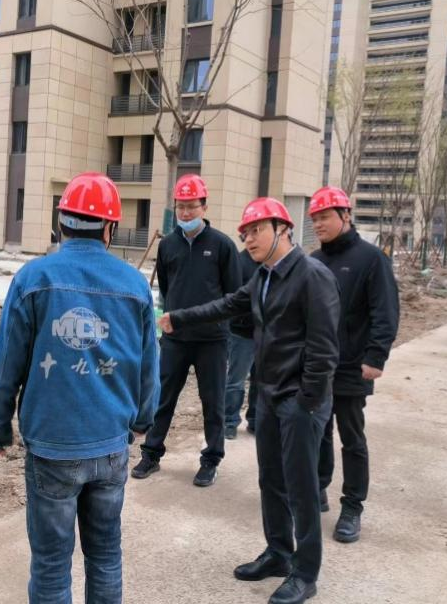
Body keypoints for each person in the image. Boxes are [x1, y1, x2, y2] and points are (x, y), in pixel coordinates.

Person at [0, 172, 160, 604]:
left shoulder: (33, 279)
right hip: (110, 447)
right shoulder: (135, 285)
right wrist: (142, 420)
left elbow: (6, 363)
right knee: (106, 556)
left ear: (61, 223)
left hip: (53, 448)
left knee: (50, 564)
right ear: (110, 228)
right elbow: (150, 365)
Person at [159, 197, 340, 604]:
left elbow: (325, 348)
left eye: (257, 230)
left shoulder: (312, 276)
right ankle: (279, 553)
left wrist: (307, 402)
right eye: (245, 233)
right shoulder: (264, 277)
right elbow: (227, 305)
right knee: (271, 479)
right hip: (269, 396)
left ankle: (306, 573)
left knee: (302, 488)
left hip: (299, 402)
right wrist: (179, 317)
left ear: (283, 229)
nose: (250, 239)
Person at [132, 174, 241, 487]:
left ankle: (210, 460)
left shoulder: (222, 245)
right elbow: (168, 289)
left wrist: (218, 324)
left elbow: (234, 295)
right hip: (175, 338)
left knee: (212, 402)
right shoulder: (168, 245)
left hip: (212, 340)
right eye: (180, 206)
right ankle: (151, 454)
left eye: (192, 206)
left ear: (204, 207)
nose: (185, 213)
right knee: (163, 399)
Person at [309, 186, 399, 543]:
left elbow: (385, 310)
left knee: (351, 436)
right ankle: (317, 487)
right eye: (314, 219)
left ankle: (352, 506)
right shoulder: (314, 260)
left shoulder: (371, 259)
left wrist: (376, 356)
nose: (318, 224)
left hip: (352, 365)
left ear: (345, 215)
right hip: (317, 365)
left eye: (325, 217)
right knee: (317, 431)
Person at [225, 247, 260, 440]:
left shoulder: (270, 262)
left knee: (260, 380)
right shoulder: (239, 261)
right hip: (242, 332)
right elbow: (232, 296)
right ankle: (229, 421)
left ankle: (255, 420)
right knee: (236, 380)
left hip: (266, 333)